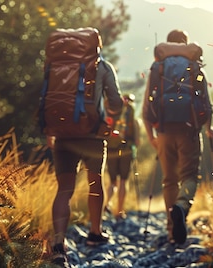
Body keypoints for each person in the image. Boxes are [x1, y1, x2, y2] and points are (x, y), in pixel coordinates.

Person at [48, 35, 123, 266]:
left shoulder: (57, 63)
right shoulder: (102, 66)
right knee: (95, 182)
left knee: (64, 189)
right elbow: (115, 101)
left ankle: (58, 243)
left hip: (63, 134)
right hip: (92, 135)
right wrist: (113, 117)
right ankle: (95, 231)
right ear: (98, 45)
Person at [142, 29, 213, 244]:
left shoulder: (159, 67)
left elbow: (147, 106)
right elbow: (207, 104)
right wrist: (210, 128)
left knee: (169, 180)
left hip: (163, 131)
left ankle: (172, 230)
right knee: (189, 177)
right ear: (185, 44)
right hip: (189, 130)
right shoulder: (194, 66)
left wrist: (150, 136)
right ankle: (182, 206)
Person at [105, 93, 140, 220]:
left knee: (113, 181)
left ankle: (107, 203)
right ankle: (119, 211)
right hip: (126, 151)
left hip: (112, 150)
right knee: (123, 181)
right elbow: (137, 142)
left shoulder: (115, 116)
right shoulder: (134, 119)